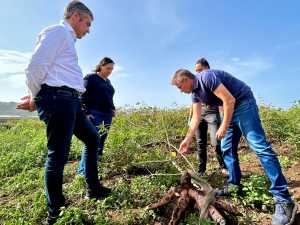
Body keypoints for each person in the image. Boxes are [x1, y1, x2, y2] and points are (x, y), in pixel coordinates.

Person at [16, 1, 110, 224]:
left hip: (71, 101)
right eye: (87, 24)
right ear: (76, 17)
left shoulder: (67, 39)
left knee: (93, 138)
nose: (88, 30)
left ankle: (93, 189)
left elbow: (53, 70)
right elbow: (35, 67)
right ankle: (55, 212)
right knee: (58, 155)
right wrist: (34, 96)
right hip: (58, 99)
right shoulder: (58, 32)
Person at [171, 68, 297, 225]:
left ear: (185, 80)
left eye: (179, 87)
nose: (180, 91)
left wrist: (223, 125)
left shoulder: (206, 77)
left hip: (243, 103)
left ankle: (284, 199)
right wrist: (187, 139)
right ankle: (234, 184)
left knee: (260, 147)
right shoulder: (195, 94)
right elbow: (196, 118)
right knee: (226, 148)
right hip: (230, 110)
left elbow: (229, 100)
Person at [78, 57, 115, 175]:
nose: (110, 71)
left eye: (112, 69)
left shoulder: (108, 82)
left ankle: (94, 167)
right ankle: (83, 170)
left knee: (102, 139)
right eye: (108, 68)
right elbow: (81, 94)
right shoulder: (91, 78)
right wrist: (86, 112)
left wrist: (112, 108)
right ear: (101, 66)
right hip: (95, 113)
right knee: (92, 140)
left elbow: (109, 97)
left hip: (107, 114)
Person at [189, 58, 226, 176]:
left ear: (207, 69)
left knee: (216, 142)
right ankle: (201, 171)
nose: (198, 73)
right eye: (196, 71)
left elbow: (223, 100)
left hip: (212, 114)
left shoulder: (213, 80)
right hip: (200, 116)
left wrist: (223, 118)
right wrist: (190, 118)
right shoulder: (195, 85)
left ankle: (223, 167)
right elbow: (194, 104)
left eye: (200, 70)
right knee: (200, 144)